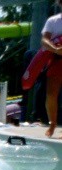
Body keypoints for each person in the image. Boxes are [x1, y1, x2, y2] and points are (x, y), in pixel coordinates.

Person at [42, 0, 62, 138]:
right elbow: (44, 40)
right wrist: (55, 49)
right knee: (51, 94)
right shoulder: (53, 21)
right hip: (57, 59)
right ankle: (53, 123)